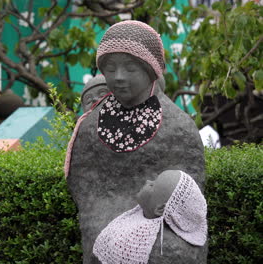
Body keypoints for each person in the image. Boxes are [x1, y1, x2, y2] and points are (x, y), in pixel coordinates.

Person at [64, 20, 206, 263]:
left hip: (164, 217)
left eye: (130, 68)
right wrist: (101, 216)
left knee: (171, 252)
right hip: (105, 211)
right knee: (105, 241)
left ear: (150, 69)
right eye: (110, 68)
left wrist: (155, 212)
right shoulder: (90, 125)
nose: (118, 77)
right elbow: (84, 183)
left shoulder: (178, 125)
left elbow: (190, 190)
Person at [93, 170, 207, 264]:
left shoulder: (146, 244)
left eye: (152, 185)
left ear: (160, 209)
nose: (147, 181)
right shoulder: (131, 217)